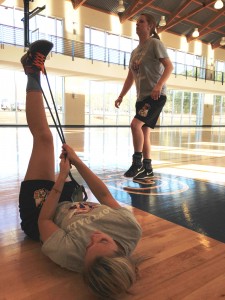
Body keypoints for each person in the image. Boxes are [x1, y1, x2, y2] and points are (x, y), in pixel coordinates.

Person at [18, 40, 142, 300]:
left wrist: (61, 178)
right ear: (121, 249)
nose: (94, 237)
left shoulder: (68, 255)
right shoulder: (130, 229)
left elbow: (44, 221)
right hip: (72, 202)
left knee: (44, 139)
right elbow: (106, 197)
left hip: (43, 213)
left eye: (89, 247)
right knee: (50, 143)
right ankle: (32, 70)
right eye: (103, 241)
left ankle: (31, 72)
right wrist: (76, 161)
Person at [115, 13, 173, 180]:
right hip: (141, 98)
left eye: (141, 22)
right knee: (144, 132)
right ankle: (148, 168)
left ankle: (137, 162)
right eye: (136, 22)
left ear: (150, 26)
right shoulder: (135, 52)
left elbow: (169, 66)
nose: (137, 24)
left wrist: (159, 85)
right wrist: (121, 95)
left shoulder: (155, 44)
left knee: (135, 125)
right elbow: (130, 77)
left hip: (155, 96)